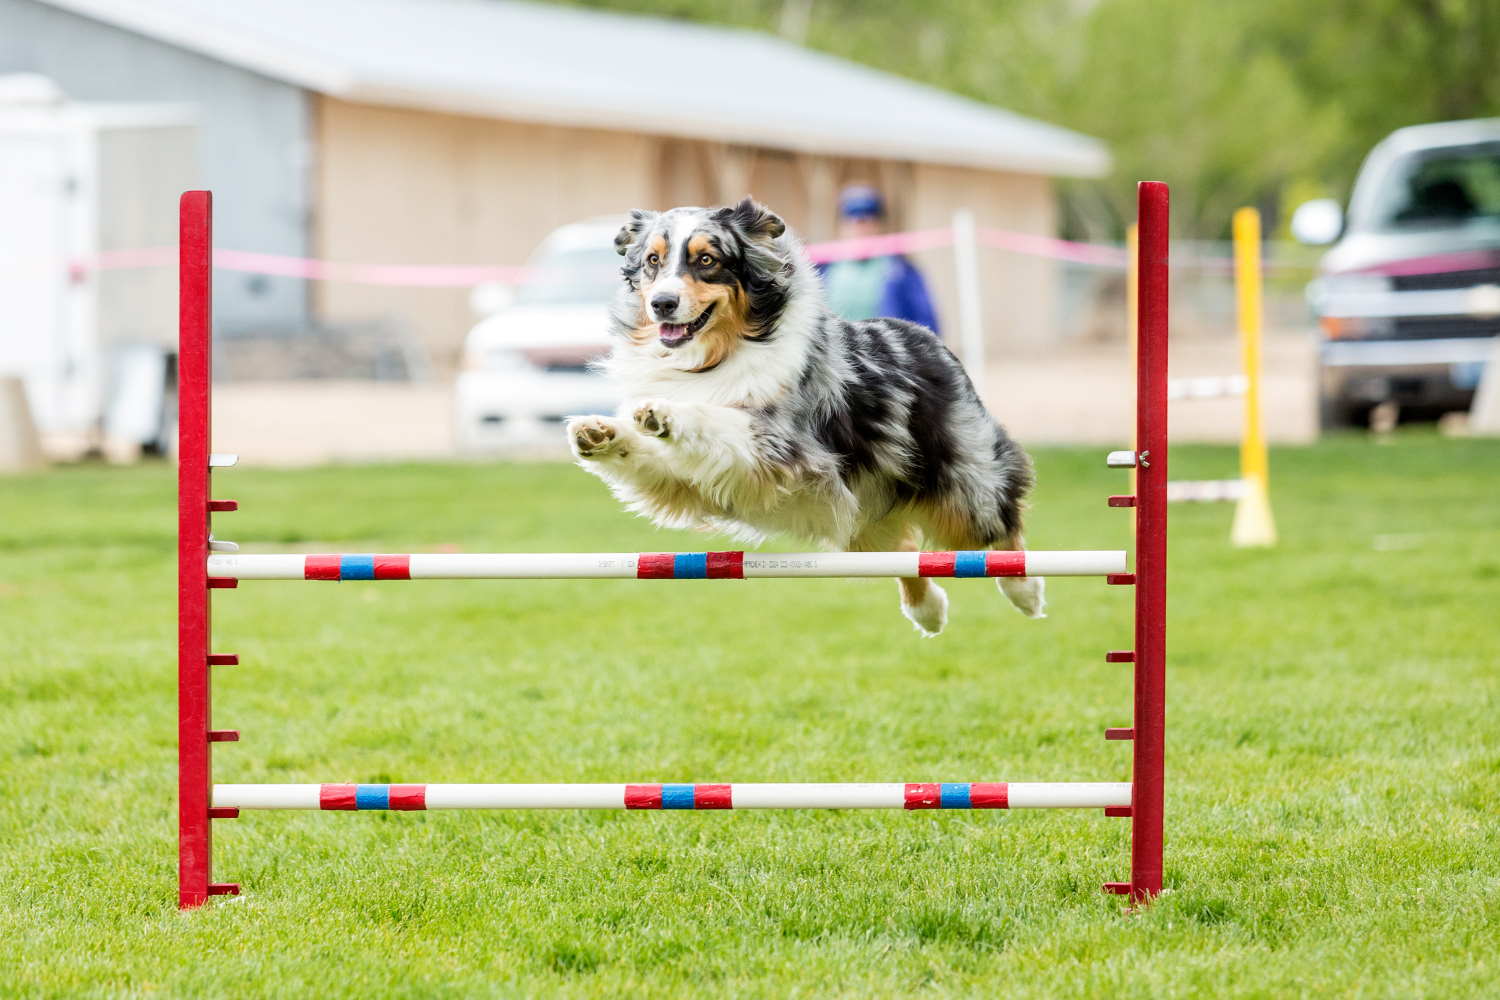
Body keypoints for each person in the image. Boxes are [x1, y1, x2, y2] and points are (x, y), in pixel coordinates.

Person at [818, 185, 940, 335]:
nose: (860, 227)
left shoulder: (901, 271)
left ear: (880, 225)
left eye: (868, 219)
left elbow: (928, 326)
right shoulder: (821, 270)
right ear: (840, 225)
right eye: (852, 219)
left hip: (884, 355)